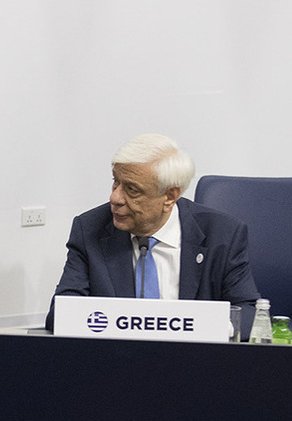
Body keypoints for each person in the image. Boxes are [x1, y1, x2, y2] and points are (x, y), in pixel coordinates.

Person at [45, 133, 259, 333]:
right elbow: (60, 315)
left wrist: (198, 328)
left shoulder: (222, 234)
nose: (116, 198)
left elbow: (249, 314)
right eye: (115, 182)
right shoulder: (90, 229)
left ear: (170, 196)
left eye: (132, 190)